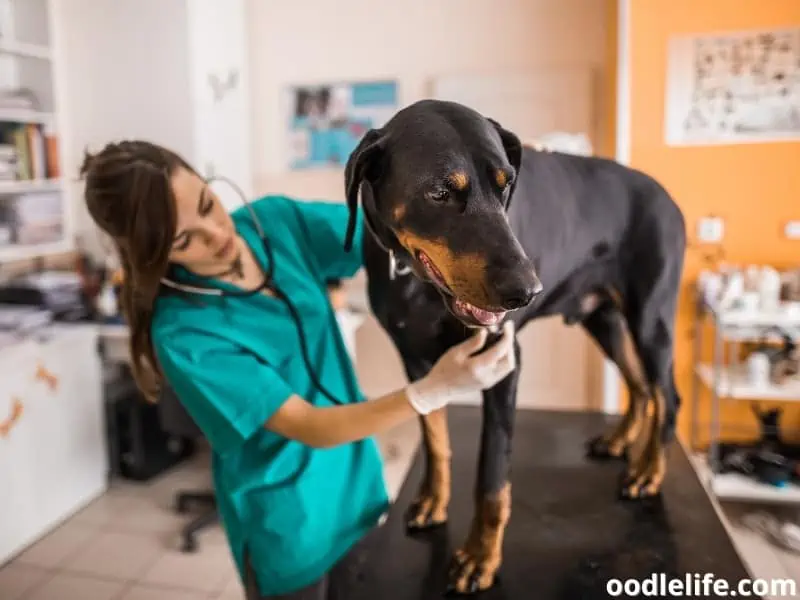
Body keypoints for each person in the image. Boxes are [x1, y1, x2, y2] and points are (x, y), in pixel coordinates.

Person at [79, 140, 516, 600]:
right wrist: (431, 390)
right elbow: (308, 425)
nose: (217, 233)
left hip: (358, 489)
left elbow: (378, 229)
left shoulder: (274, 222)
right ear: (152, 255)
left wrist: (481, 178)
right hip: (288, 524)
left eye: (208, 205)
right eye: (185, 240)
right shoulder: (185, 331)